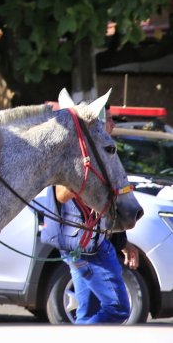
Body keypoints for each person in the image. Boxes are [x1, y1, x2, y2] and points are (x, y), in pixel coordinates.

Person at [40, 106, 140, 323]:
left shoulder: (100, 153)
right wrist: (84, 179)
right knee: (118, 309)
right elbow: (61, 194)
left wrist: (123, 242)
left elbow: (105, 210)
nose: (113, 125)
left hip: (86, 245)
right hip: (87, 247)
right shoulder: (81, 154)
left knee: (88, 311)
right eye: (110, 120)